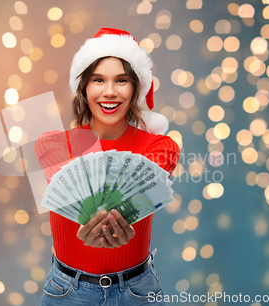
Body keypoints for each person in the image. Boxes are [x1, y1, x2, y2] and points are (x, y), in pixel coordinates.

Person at [35, 28, 180, 305]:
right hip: (66, 292)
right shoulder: (52, 145)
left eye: (122, 80)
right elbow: (75, 196)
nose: (110, 92)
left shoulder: (161, 147)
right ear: (84, 88)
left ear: (136, 88)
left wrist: (109, 219)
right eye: (98, 80)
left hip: (137, 292)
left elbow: (137, 190)